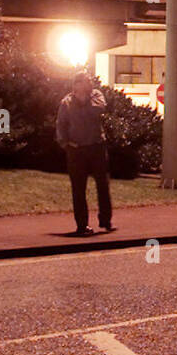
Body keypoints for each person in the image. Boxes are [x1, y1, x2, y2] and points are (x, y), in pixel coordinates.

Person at [55, 71, 113, 237]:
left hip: (96, 146)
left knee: (102, 184)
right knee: (78, 188)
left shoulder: (96, 96)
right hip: (76, 149)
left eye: (89, 81)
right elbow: (61, 124)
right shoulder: (66, 102)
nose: (89, 84)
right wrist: (65, 143)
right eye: (85, 81)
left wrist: (84, 100)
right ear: (76, 84)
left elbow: (99, 110)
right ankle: (82, 224)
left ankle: (105, 219)